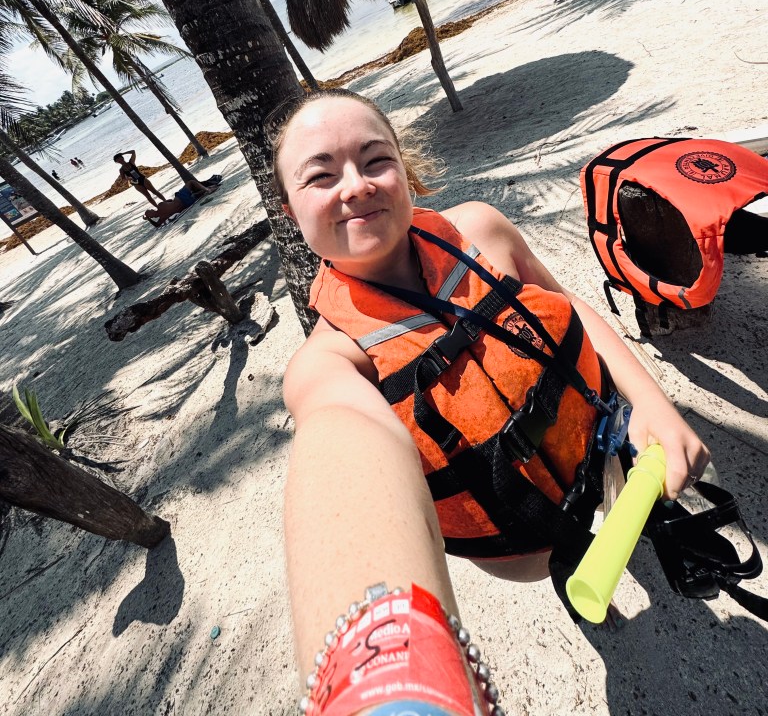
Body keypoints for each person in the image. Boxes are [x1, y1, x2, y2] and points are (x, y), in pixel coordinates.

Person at [274, 89, 710, 713]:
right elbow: (341, 453)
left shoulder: (481, 230)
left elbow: (571, 311)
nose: (357, 186)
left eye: (375, 160)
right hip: (520, 536)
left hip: (600, 444)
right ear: (291, 211)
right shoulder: (329, 363)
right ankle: (578, 584)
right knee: (570, 567)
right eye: (321, 175)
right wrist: (391, 688)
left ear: (404, 167)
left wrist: (652, 404)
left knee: (626, 523)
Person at [142, 175, 221, 227]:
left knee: (195, 194)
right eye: (150, 211)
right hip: (181, 198)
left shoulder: (161, 219)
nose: (151, 209)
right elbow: (170, 201)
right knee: (191, 182)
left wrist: (148, 219)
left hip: (187, 204)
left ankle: (207, 189)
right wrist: (149, 218)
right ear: (151, 216)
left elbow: (157, 225)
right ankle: (207, 189)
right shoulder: (160, 205)